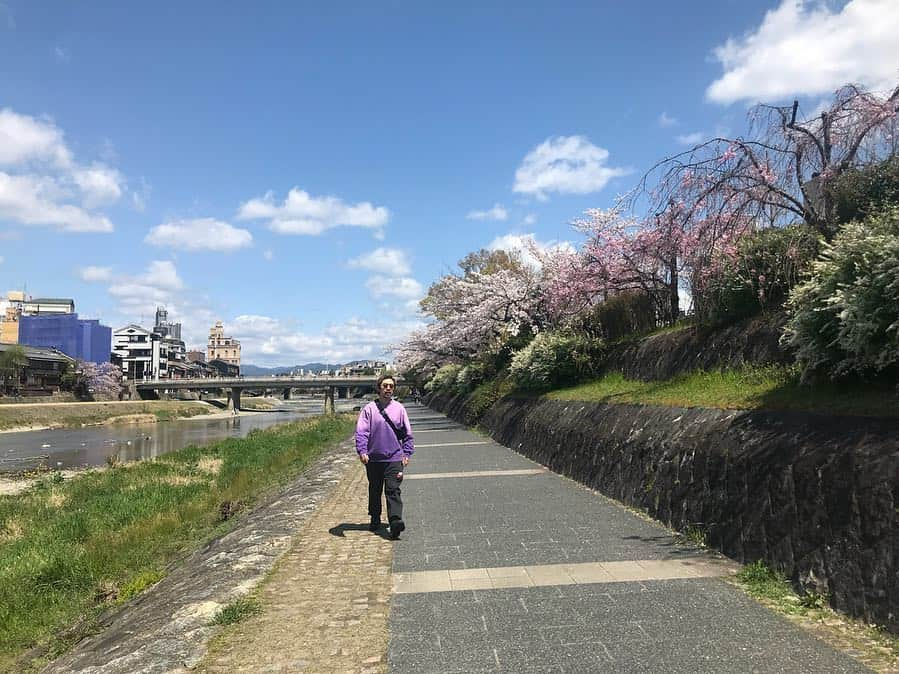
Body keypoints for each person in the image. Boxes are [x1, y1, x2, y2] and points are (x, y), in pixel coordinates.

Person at [355, 374, 414, 539]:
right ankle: (375, 517)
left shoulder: (399, 409)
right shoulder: (369, 409)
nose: (388, 389)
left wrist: (407, 452)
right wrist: (362, 451)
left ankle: (395, 521)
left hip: (394, 457)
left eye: (391, 386)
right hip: (373, 458)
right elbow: (362, 432)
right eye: (385, 386)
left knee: (393, 489)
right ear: (379, 388)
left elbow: (407, 433)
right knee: (375, 489)